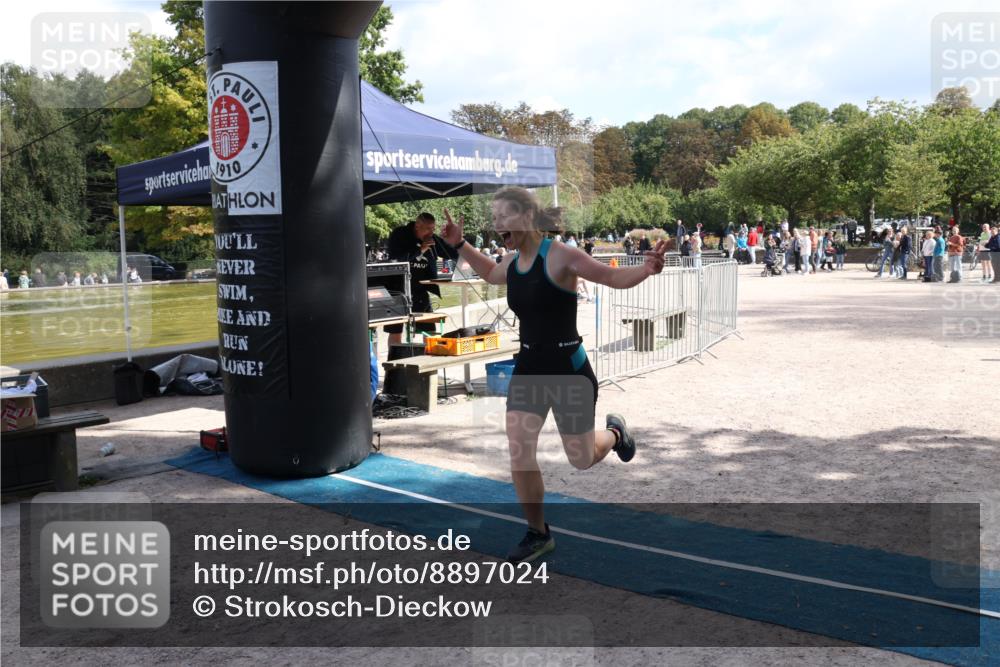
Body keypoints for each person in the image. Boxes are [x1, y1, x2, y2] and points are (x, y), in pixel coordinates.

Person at [440, 187, 666, 563]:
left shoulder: (562, 256)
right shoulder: (512, 262)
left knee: (580, 457)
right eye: (493, 218)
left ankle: (614, 434)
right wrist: (460, 244)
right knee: (519, 449)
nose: (496, 224)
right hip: (528, 369)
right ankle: (537, 533)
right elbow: (490, 273)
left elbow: (609, 279)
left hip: (568, 371)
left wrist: (644, 269)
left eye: (502, 217)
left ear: (527, 218)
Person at [385, 212, 459, 345]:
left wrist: (453, 240)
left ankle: (430, 362)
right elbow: (395, 260)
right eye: (428, 228)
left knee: (429, 331)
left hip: (420, 290)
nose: (431, 232)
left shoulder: (433, 239)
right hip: (397, 290)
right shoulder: (400, 235)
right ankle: (393, 361)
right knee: (395, 330)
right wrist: (420, 250)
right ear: (417, 225)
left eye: (433, 228)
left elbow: (454, 253)